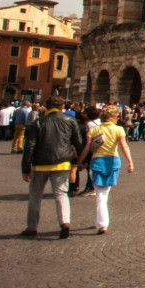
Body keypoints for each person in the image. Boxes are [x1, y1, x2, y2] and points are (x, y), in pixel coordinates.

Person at [21, 96, 85, 239]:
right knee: (61, 194)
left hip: (40, 164)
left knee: (35, 195)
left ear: (46, 107)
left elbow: (29, 147)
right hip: (62, 163)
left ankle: (32, 227)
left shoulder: (38, 122)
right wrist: (82, 161)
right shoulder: (70, 121)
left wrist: (26, 168)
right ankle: (65, 223)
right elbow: (78, 142)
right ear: (62, 107)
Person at [76, 105, 133, 234]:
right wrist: (130, 162)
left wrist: (80, 161)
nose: (118, 118)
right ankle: (102, 223)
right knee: (103, 194)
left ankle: (99, 221)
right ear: (112, 117)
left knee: (100, 194)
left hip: (96, 162)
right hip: (113, 162)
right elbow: (124, 146)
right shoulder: (119, 130)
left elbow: (87, 148)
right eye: (117, 116)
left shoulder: (94, 130)